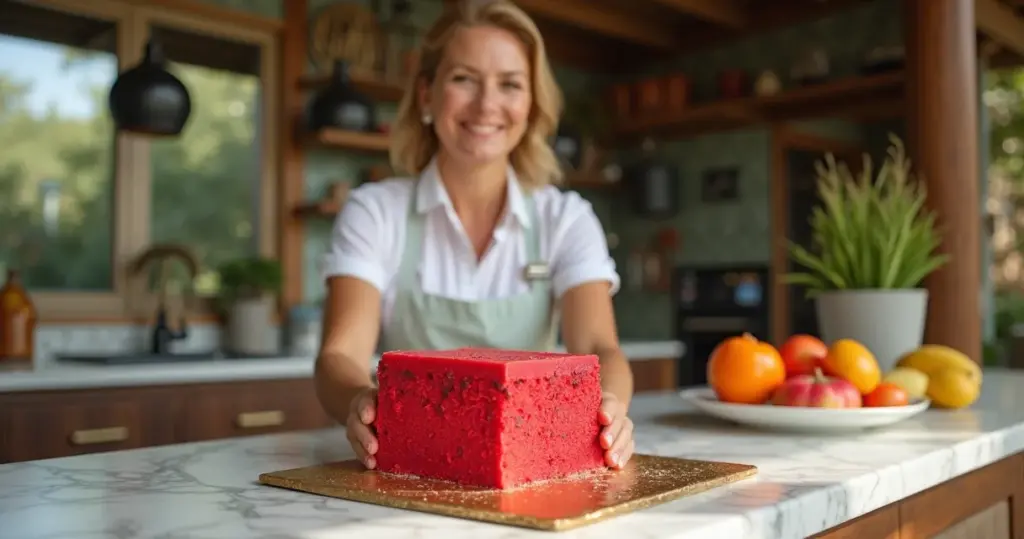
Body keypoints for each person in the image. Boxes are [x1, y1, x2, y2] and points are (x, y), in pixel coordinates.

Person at [313, 0, 635, 473]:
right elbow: (338, 355)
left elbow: (601, 348)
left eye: (510, 84)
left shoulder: (565, 218)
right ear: (426, 95)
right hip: (416, 464)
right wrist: (359, 400)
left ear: (531, 105)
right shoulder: (375, 212)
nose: (487, 105)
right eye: (464, 79)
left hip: (531, 469)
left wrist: (609, 408)